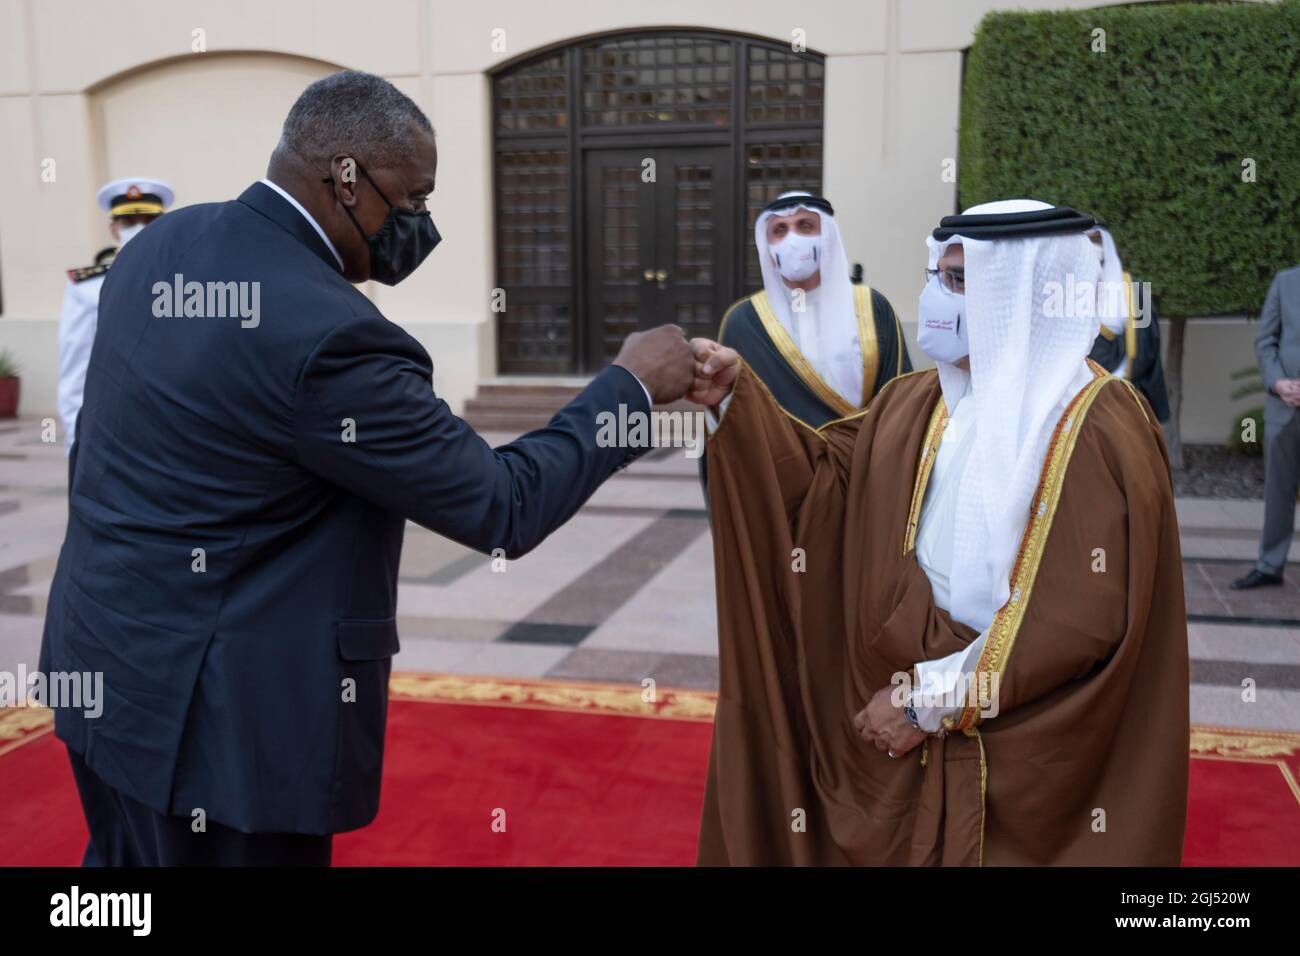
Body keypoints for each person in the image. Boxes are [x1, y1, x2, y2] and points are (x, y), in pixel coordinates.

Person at [38, 71, 694, 866]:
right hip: (225, 736)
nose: (419, 226)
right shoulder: (333, 335)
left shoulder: (161, 248)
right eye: (412, 201)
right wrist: (628, 389)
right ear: (345, 176)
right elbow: (501, 505)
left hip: (103, 668)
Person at [687, 199, 1189, 865]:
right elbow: (821, 486)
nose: (932, 296)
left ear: (1021, 294)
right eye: (933, 274)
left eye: (957, 279)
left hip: (1013, 744)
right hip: (894, 716)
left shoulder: (1094, 423)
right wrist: (735, 401)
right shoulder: (913, 399)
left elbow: (1077, 619)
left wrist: (929, 701)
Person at [717, 191, 910, 427]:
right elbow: (730, 412)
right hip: (779, 460)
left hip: (859, 457)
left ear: (827, 236)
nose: (793, 239)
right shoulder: (744, 320)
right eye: (780, 230)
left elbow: (900, 399)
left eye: (805, 226)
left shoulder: (872, 308)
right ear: (767, 246)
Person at [58, 177, 173, 450]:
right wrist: (79, 445)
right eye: (128, 222)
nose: (139, 228)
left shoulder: (187, 277)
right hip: (116, 430)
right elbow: (75, 369)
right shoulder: (87, 287)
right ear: (113, 229)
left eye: (148, 220)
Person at [1234, 263, 1300, 590]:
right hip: (1284, 407)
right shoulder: (1285, 283)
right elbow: (1265, 341)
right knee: (1278, 492)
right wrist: (1277, 383)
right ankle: (1270, 565)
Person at [1086, 224, 1170, 422]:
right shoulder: (1062, 291)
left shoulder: (1134, 290)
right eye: (1088, 240)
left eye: (1097, 240)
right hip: (1076, 399)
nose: (1093, 246)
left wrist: (1117, 377)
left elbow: (1147, 344)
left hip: (1125, 394)